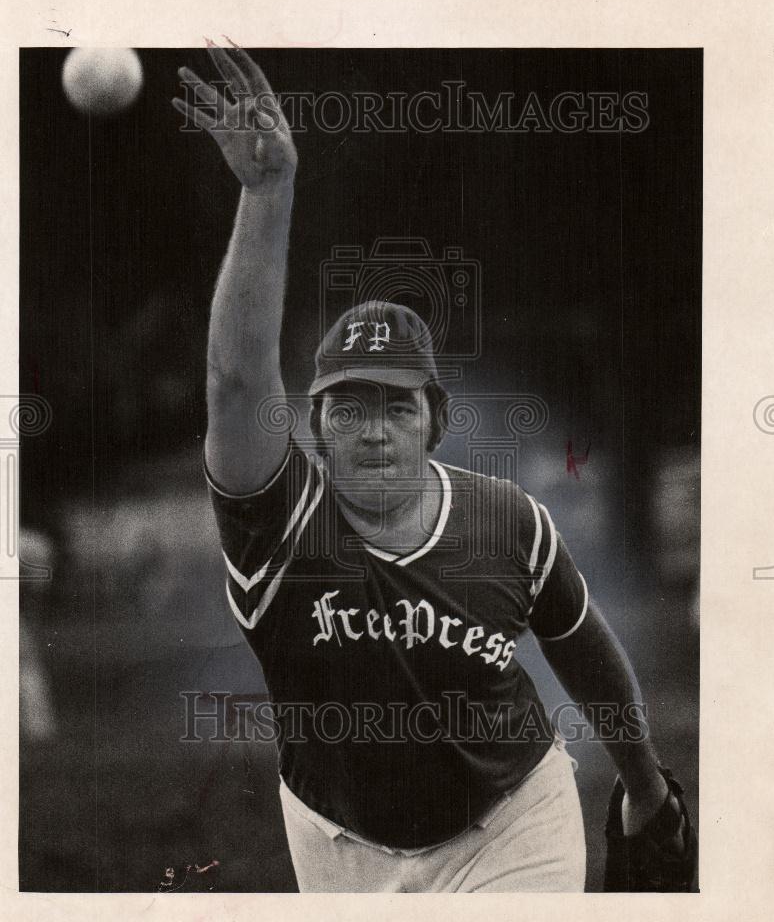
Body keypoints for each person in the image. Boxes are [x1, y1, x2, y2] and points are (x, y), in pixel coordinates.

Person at [173, 46, 690, 893]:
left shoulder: (508, 524)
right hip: (337, 844)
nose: (372, 431)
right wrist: (268, 194)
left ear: (435, 424)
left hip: (512, 826)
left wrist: (643, 788)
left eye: (397, 406)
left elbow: (585, 653)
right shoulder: (277, 526)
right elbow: (234, 383)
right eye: (348, 407)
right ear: (317, 428)